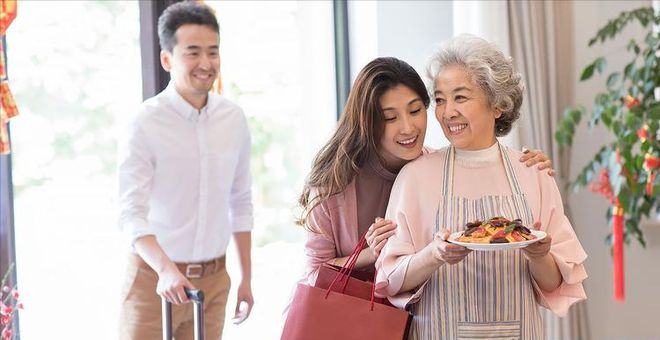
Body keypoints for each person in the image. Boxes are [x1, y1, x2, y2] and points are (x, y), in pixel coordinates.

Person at [375, 34, 587, 339]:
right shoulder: (414, 177)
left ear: (497, 104)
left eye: (460, 97)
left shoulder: (533, 173)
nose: (448, 112)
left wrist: (540, 255)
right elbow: (391, 280)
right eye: (440, 99)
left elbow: (554, 284)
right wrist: (434, 254)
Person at [299, 57, 554, 285]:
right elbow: (313, 275)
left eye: (415, 110)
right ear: (367, 122)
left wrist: (524, 165)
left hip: (403, 323)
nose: (408, 128)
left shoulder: (433, 169)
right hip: (341, 320)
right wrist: (370, 254)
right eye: (390, 118)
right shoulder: (332, 183)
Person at [117, 2, 253, 339]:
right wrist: (165, 270)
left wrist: (246, 279)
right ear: (168, 59)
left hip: (214, 281)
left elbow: (241, 201)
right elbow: (130, 214)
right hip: (153, 280)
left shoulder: (233, 119)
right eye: (193, 53)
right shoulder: (144, 123)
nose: (206, 64)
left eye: (213, 52)